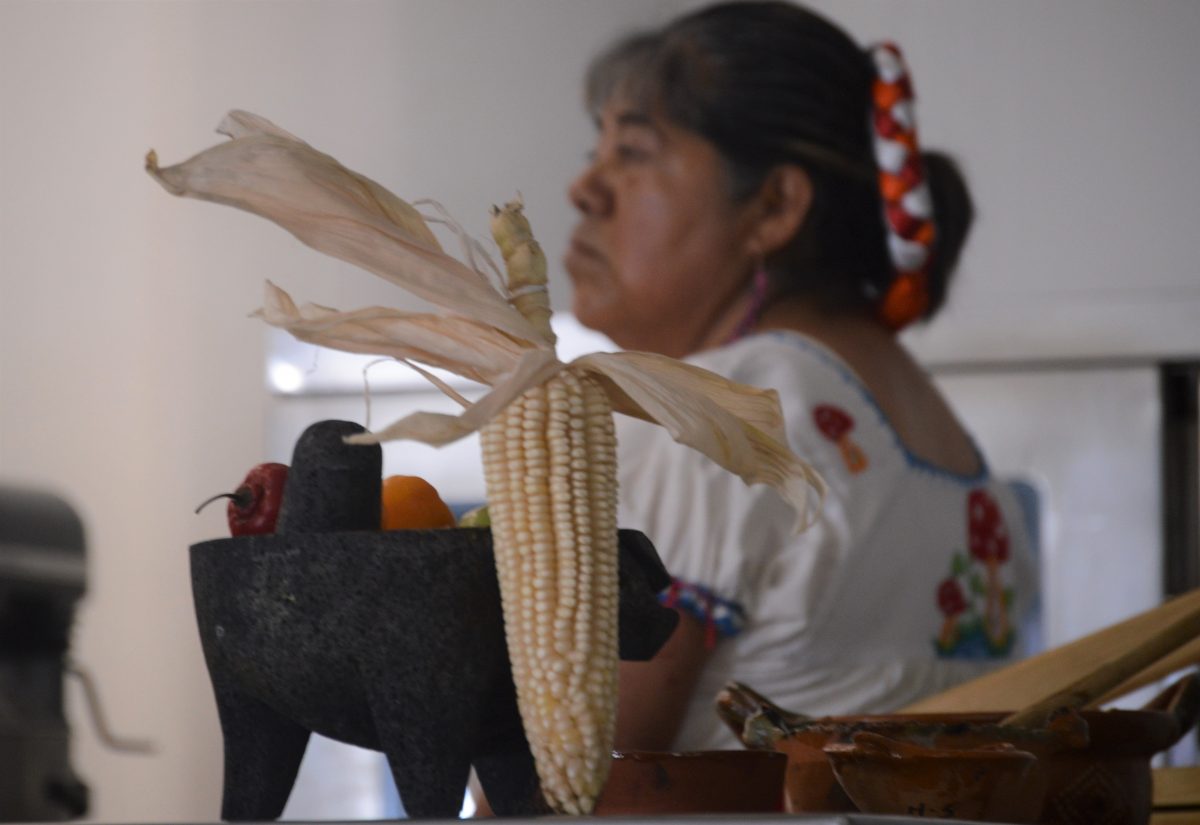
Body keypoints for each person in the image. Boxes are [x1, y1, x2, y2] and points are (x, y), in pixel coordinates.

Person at [564, 0, 1037, 752]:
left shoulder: (727, 414)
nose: (584, 188)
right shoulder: (943, 434)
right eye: (599, 149)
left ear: (775, 206)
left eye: (634, 152)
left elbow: (578, 770)